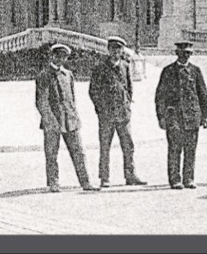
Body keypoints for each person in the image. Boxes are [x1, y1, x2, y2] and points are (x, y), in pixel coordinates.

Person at [35, 43, 98, 193]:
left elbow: (72, 99)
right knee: (52, 153)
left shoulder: (68, 75)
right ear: (52, 56)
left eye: (63, 56)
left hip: (70, 120)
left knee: (79, 152)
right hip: (53, 121)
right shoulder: (44, 75)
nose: (60, 59)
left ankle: (86, 182)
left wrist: (75, 117)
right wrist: (50, 121)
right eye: (57, 55)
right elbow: (41, 101)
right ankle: (53, 183)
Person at [88, 35, 145, 187]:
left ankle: (130, 175)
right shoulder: (100, 67)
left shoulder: (125, 66)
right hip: (106, 114)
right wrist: (100, 108)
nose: (115, 51)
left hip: (123, 114)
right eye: (113, 48)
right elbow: (93, 91)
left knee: (128, 145)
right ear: (108, 50)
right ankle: (104, 177)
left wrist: (126, 105)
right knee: (105, 146)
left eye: (118, 49)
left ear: (121, 50)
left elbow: (129, 88)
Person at [154, 40, 207, 189]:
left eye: (188, 53)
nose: (185, 56)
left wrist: (205, 116)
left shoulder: (195, 71)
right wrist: (161, 117)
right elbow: (160, 96)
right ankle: (175, 179)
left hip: (192, 116)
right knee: (174, 149)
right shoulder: (168, 71)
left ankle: (189, 179)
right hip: (174, 117)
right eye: (182, 53)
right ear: (176, 53)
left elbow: (203, 94)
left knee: (191, 149)